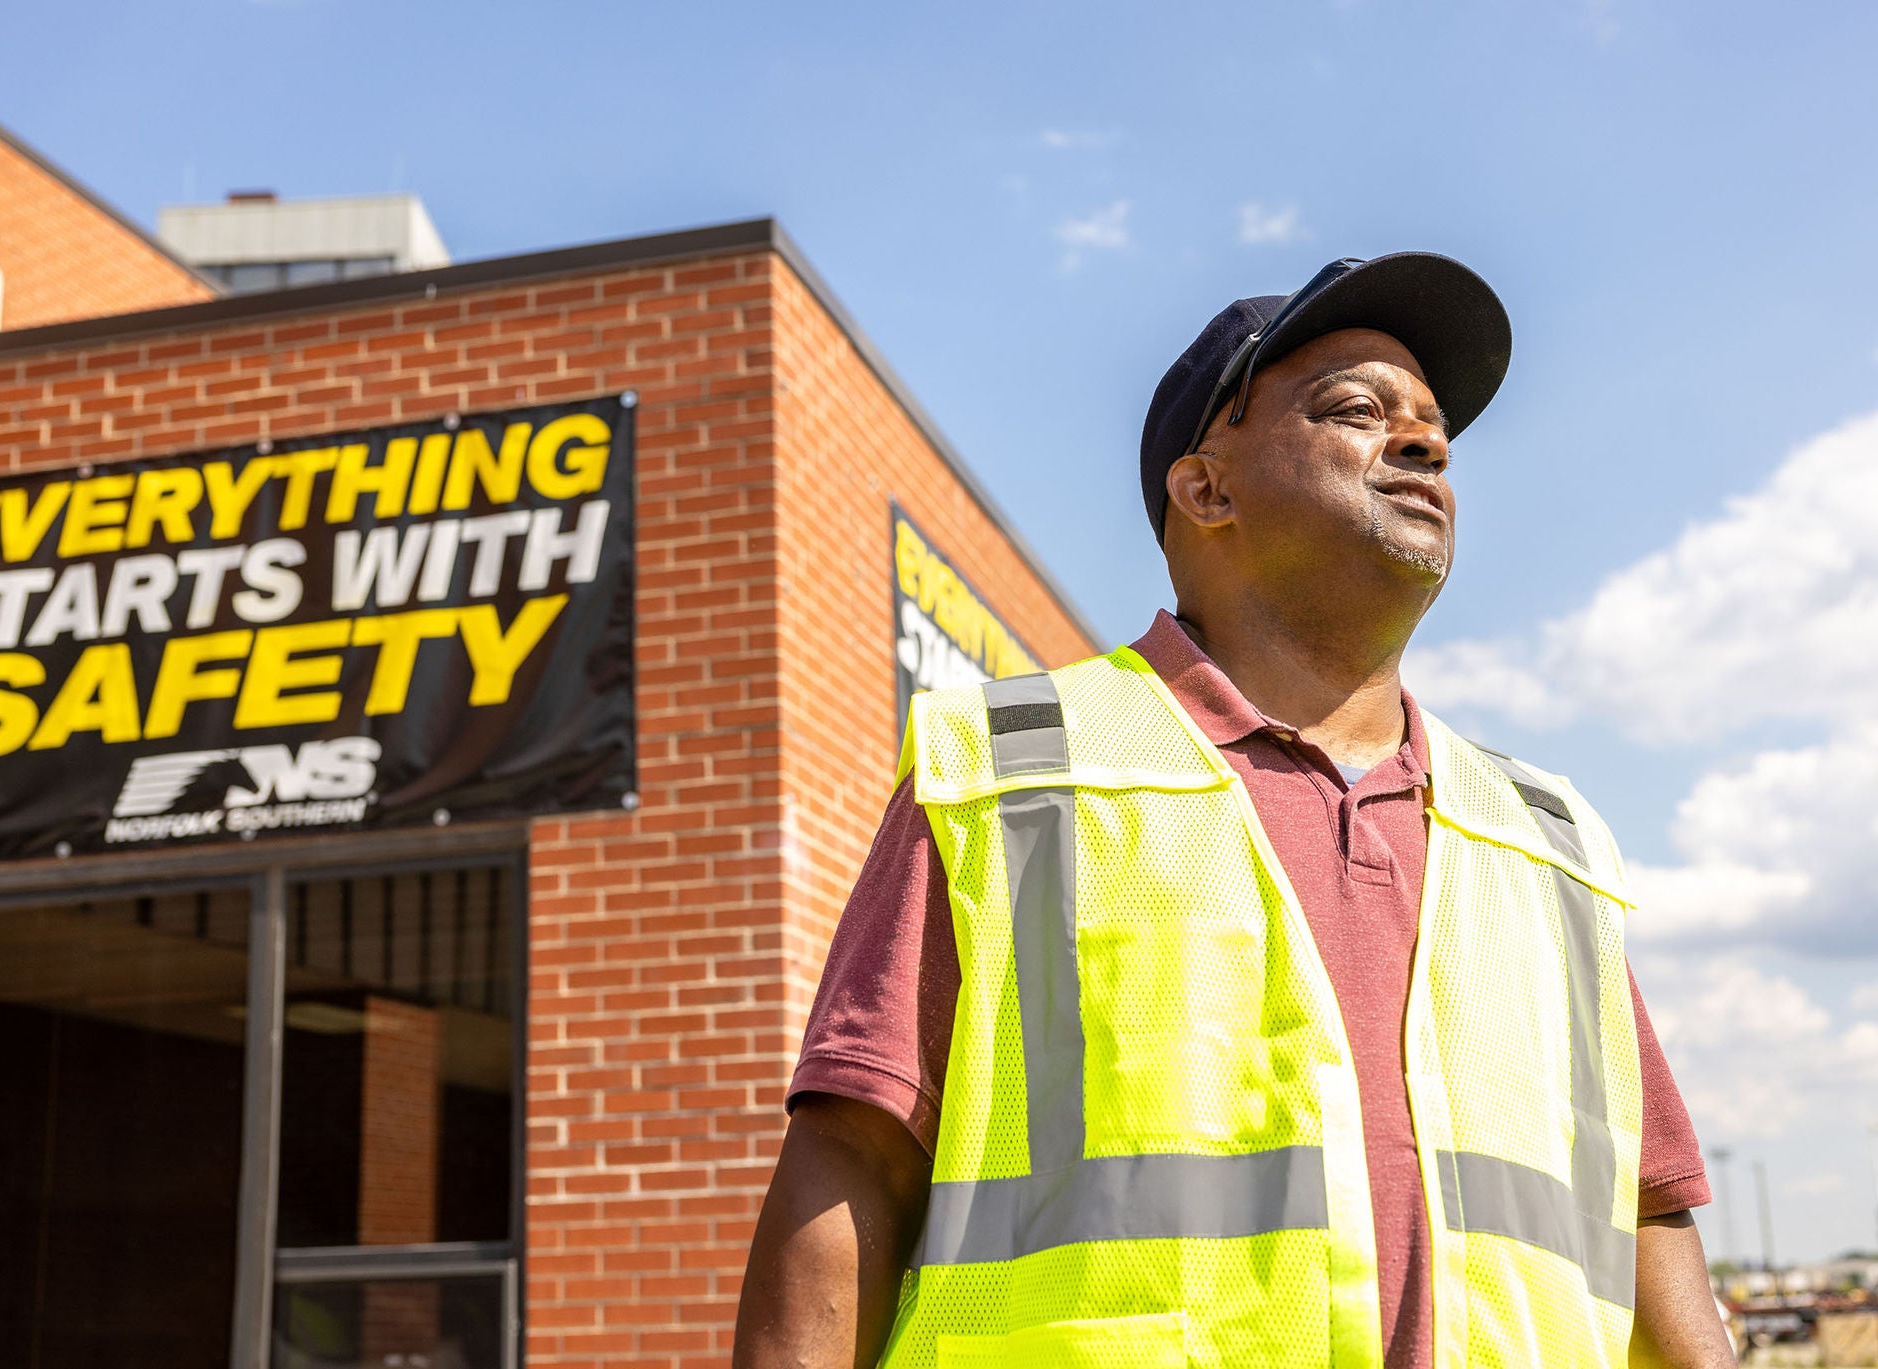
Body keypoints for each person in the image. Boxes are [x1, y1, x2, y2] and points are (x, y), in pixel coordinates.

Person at [734, 254, 1734, 1368]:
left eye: (1431, 424)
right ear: (1204, 488)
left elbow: (1643, 1214)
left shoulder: (1544, 838)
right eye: (1356, 408)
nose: (1424, 443)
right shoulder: (1004, 779)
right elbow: (854, 1165)